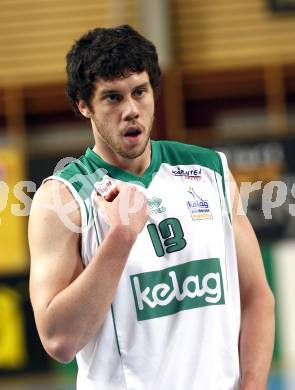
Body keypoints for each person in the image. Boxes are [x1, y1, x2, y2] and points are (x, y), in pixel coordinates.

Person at [29, 25, 275, 390]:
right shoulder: (65, 196)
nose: (131, 110)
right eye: (112, 98)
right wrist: (120, 239)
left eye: (140, 92)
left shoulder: (208, 170)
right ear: (84, 106)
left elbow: (257, 297)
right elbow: (59, 341)